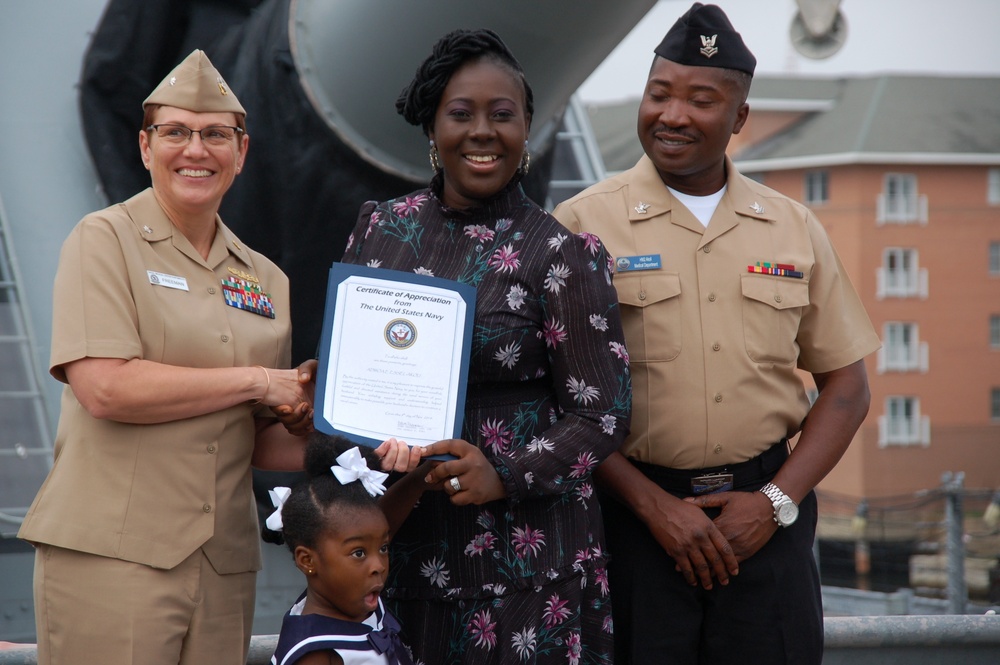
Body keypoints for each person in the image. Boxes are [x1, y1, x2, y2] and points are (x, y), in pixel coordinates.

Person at [552, 4, 881, 664]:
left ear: (739, 119)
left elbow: (846, 387)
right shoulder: (582, 222)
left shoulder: (792, 227)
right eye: (659, 94)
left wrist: (775, 502)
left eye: (701, 100)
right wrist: (653, 508)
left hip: (766, 522)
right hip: (631, 519)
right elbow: (557, 394)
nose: (673, 114)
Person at [336, 28, 632, 665]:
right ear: (432, 127)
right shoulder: (381, 230)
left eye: (503, 115)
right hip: (402, 542)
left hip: (526, 560)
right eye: (460, 113)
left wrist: (504, 476)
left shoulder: (561, 254)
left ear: (528, 129)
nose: (482, 131)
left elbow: (602, 415)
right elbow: (350, 372)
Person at [17, 50, 313, 665]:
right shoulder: (104, 240)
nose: (196, 150)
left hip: (221, 562)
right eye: (175, 132)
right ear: (147, 147)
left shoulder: (267, 280)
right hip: (114, 558)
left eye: (214, 135)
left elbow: (259, 440)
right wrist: (260, 379)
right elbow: (106, 389)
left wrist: (343, 427)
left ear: (242, 151)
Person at [267, 435, 415, 665]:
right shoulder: (316, 652)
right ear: (307, 561)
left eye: (383, 548)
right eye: (359, 553)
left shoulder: (357, 605)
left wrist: (423, 479)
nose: (378, 566)